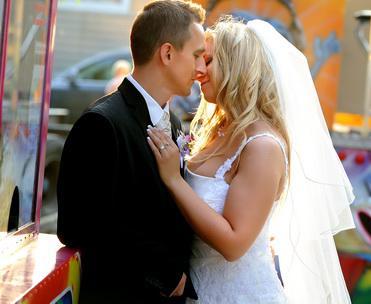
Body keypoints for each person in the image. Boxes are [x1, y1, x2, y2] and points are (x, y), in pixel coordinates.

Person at [148, 17, 355, 303]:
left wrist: (173, 179)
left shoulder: (262, 146)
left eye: (208, 61)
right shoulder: (217, 130)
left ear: (237, 66)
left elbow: (234, 244)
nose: (198, 70)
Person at [56, 0, 207, 303]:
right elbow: (79, 225)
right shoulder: (101, 124)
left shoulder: (173, 123)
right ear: (167, 53)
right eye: (196, 55)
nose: (201, 68)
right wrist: (165, 273)